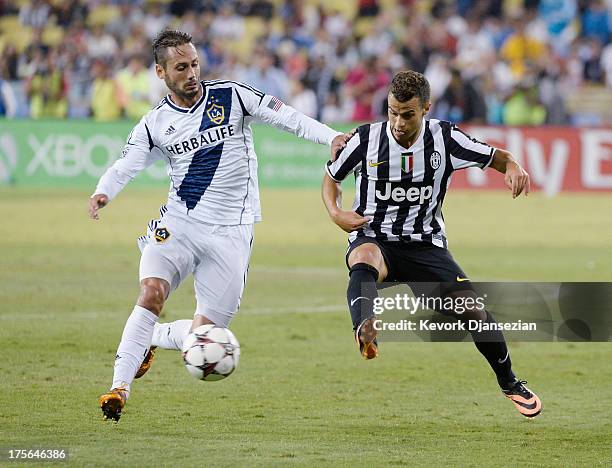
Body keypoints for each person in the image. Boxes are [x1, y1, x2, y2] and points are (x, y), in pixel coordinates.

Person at [89, 30, 350, 422]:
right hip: (180, 222)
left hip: (232, 232)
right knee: (152, 292)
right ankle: (119, 388)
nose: (191, 73)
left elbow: (287, 117)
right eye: (181, 67)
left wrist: (331, 138)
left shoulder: (232, 95)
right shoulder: (154, 123)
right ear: (161, 72)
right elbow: (126, 163)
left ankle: (155, 337)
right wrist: (103, 191)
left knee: (203, 340)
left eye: (194, 63)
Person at [321, 70, 541, 418]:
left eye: (407, 114)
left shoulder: (445, 139)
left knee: (475, 313)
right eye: (392, 112)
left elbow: (497, 156)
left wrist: (513, 166)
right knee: (363, 256)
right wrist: (336, 213)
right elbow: (331, 179)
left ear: (425, 108)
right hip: (375, 236)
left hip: (426, 246)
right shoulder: (366, 140)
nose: (397, 122)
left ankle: (510, 382)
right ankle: (365, 327)